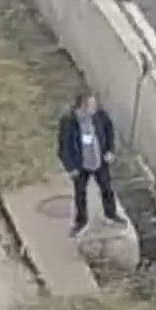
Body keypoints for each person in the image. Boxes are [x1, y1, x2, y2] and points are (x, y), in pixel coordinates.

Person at [56, 91, 123, 237]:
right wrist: (71, 167)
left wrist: (110, 150)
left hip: (99, 160)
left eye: (95, 104)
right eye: (91, 105)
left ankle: (111, 214)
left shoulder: (100, 116)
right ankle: (81, 222)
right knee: (80, 193)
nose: (95, 108)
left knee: (107, 188)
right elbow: (64, 147)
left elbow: (109, 131)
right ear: (82, 106)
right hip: (81, 165)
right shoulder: (69, 122)